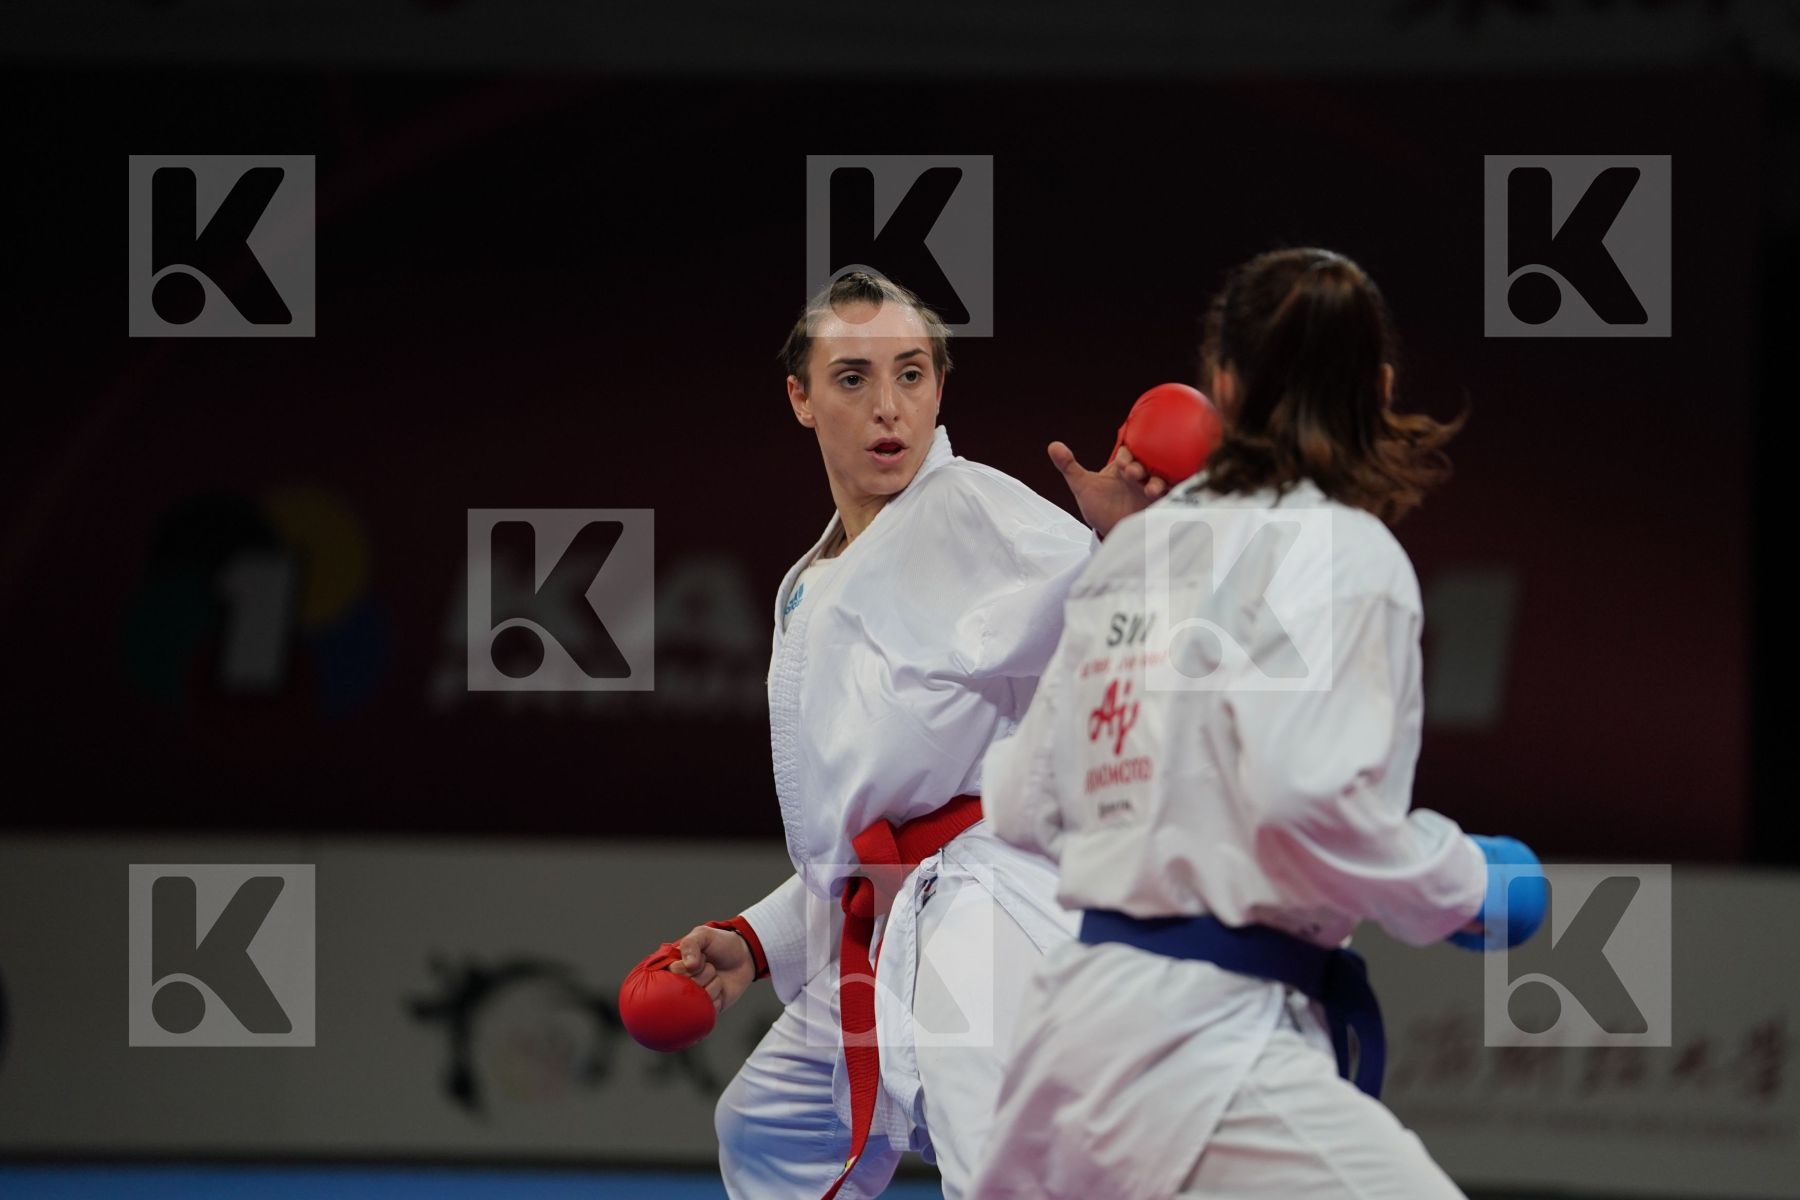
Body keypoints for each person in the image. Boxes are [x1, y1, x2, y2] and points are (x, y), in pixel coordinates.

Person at [968, 247, 1542, 1200]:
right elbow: (1302, 801)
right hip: (1204, 1047)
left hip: (1074, 1036)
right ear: (1381, 387)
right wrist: (1466, 885)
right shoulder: (1346, 554)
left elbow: (1023, 803)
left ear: (1221, 386)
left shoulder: (1134, 551)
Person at [654, 271, 1159, 1200]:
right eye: (853, 378)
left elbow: (1133, 654)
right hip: (895, 909)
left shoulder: (977, 514)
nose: (889, 407)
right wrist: (761, 941)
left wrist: (1134, 552)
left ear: (940, 389)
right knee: (766, 1132)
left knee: (1002, 1165)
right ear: (801, 398)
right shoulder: (814, 578)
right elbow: (874, 829)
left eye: (913, 375)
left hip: (991, 914)